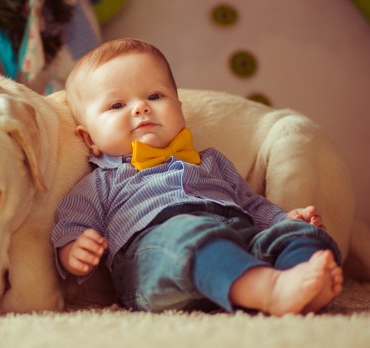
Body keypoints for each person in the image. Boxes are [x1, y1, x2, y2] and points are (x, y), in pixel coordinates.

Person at [51, 38, 343, 316]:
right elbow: (71, 223)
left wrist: (284, 220)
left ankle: (300, 284)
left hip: (240, 240)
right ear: (89, 139)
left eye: (155, 96)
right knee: (189, 235)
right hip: (157, 257)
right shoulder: (103, 181)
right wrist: (74, 251)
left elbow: (251, 205)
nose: (141, 107)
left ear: (179, 109)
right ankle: (269, 289)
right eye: (117, 105)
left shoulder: (211, 160)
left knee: (304, 235)